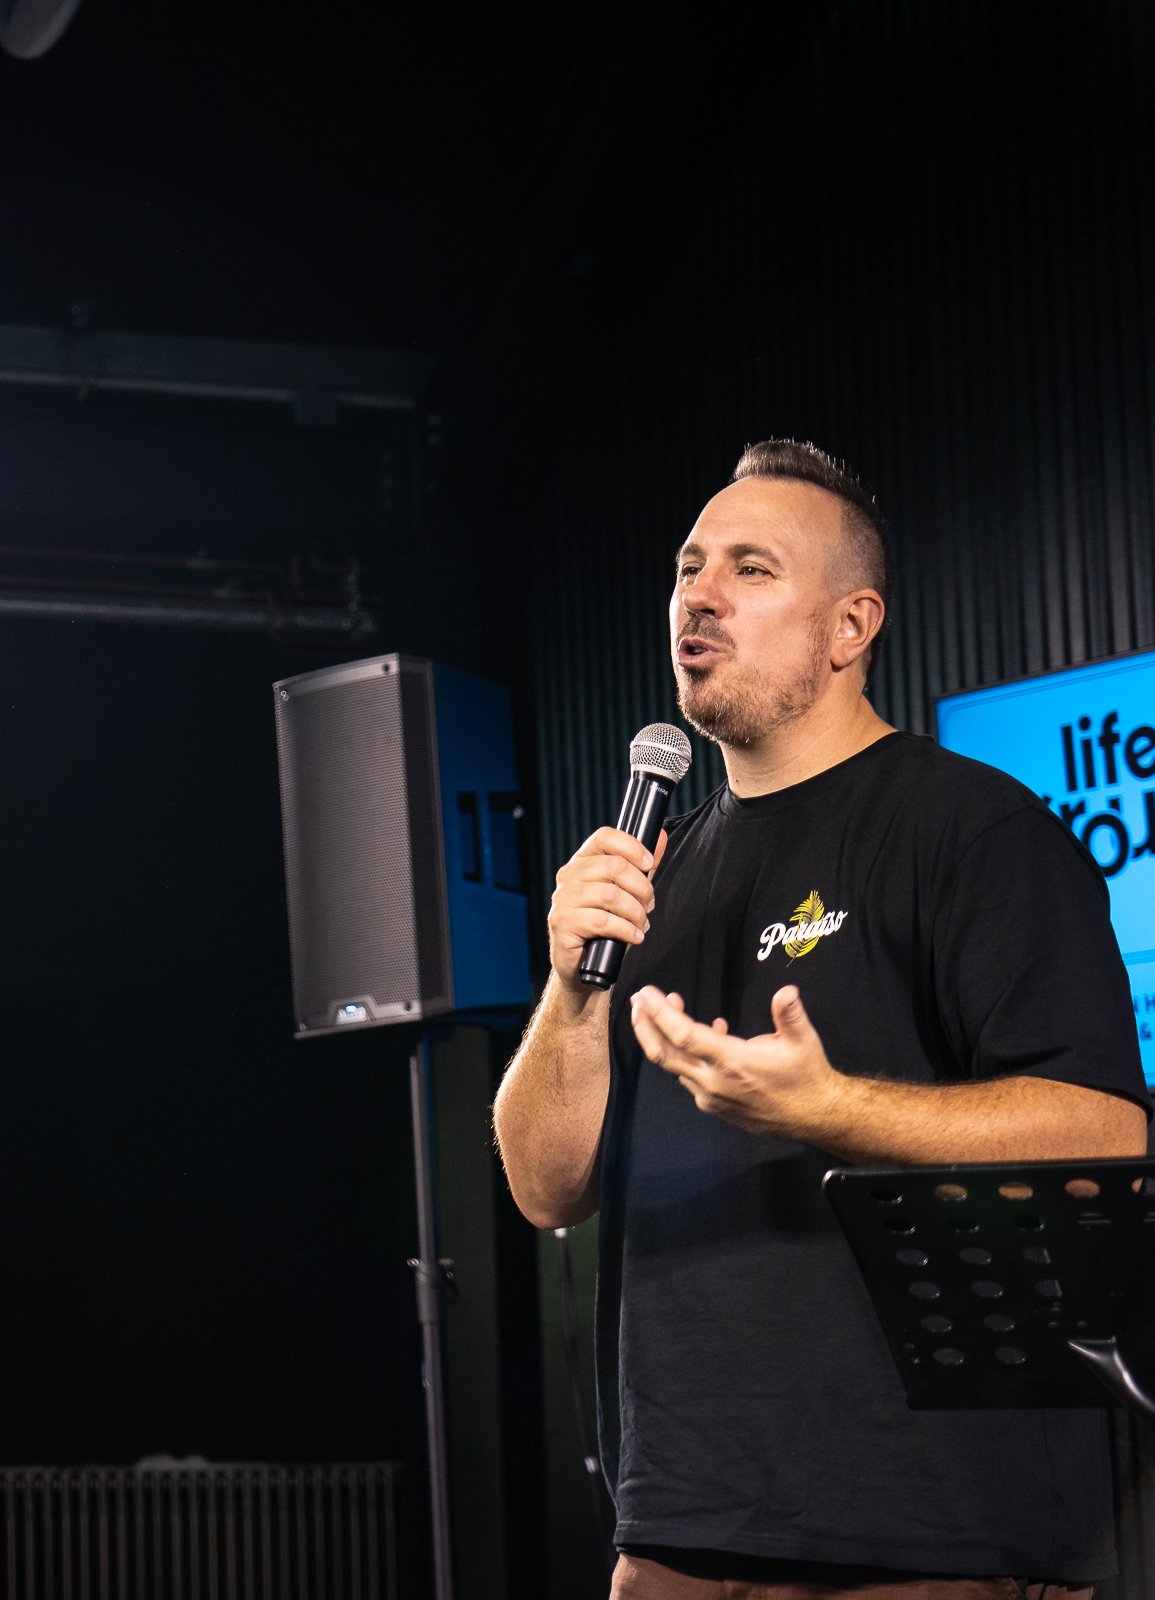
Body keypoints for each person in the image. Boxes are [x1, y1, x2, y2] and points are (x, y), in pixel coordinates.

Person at [492, 440, 1150, 1600]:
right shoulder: (650, 871)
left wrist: (833, 1108)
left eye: (750, 569)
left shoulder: (974, 831)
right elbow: (548, 1188)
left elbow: (1108, 1133)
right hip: (681, 1529)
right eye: (689, 567)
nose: (698, 595)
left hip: (932, 1531)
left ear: (851, 626)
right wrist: (573, 986)